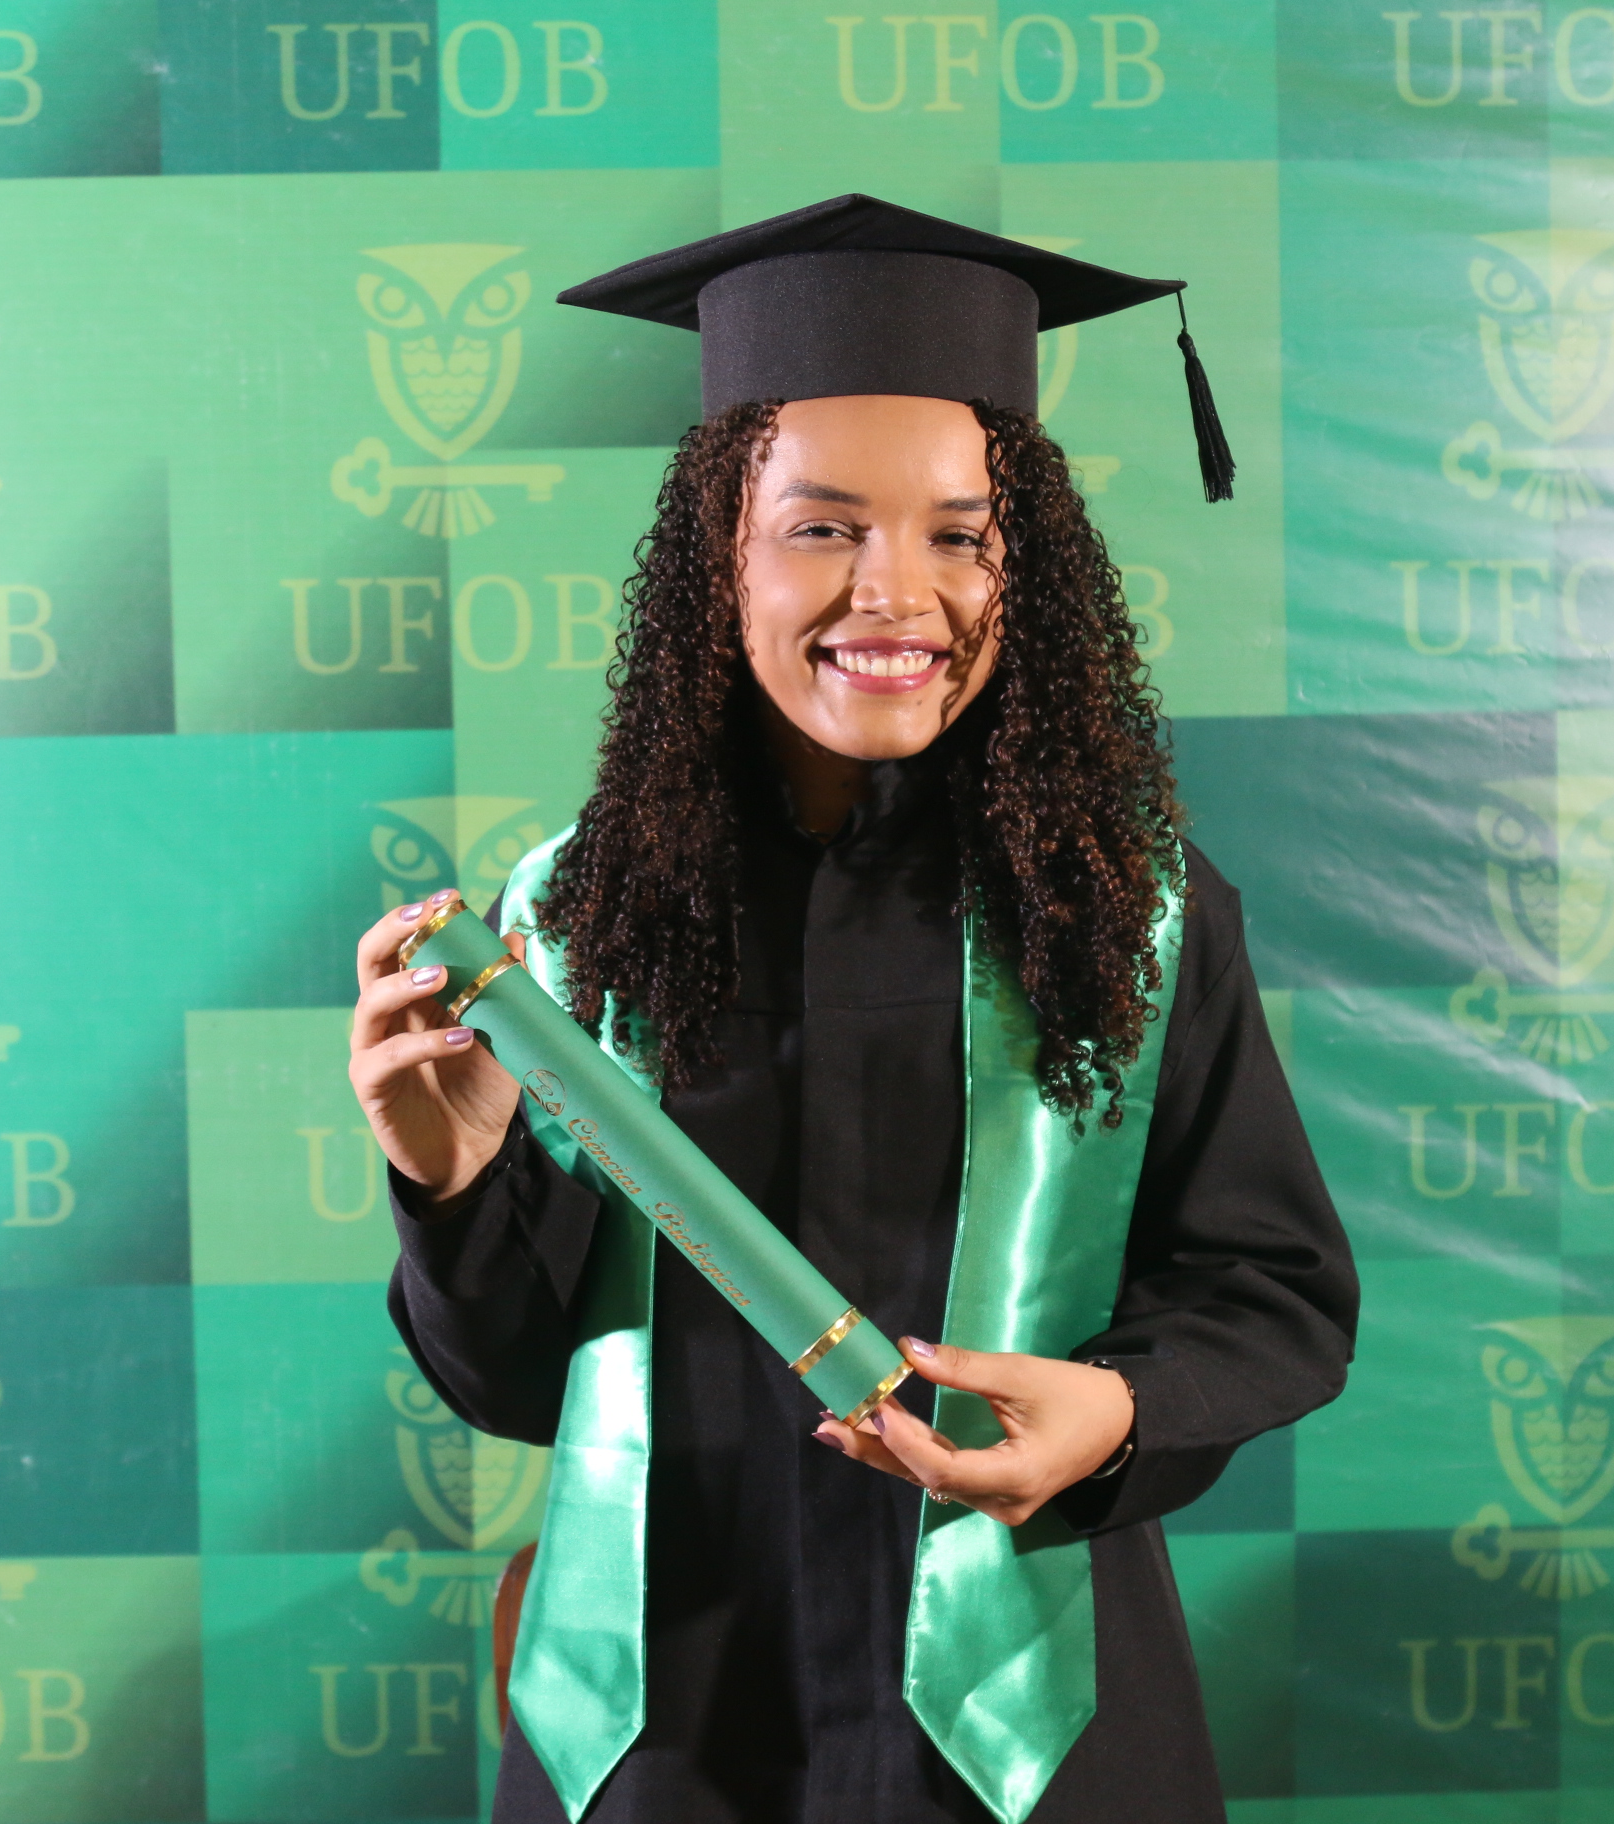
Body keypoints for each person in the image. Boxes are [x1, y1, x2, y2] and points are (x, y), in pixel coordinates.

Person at [346, 196, 1356, 1824]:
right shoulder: (571, 920)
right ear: (719, 557)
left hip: (1030, 1736)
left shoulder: (1135, 914)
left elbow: (1271, 1291)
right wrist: (456, 1184)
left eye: (960, 535)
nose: (897, 591)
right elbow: (524, 1388)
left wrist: (1119, 1410)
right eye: (822, 528)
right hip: (672, 1726)